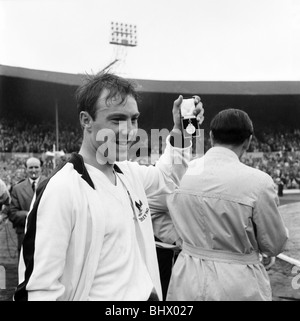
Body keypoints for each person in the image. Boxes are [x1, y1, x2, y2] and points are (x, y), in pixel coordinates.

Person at [14, 72, 204, 301]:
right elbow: (39, 289)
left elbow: (167, 177)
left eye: (134, 119)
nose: (129, 130)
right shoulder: (61, 188)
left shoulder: (128, 173)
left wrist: (181, 132)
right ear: (86, 120)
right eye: (116, 120)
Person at [165, 108, 288, 301]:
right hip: (237, 282)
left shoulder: (182, 172)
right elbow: (274, 244)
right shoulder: (259, 182)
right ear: (248, 141)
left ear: (212, 136)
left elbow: (157, 213)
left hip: (187, 276)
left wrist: (182, 239)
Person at [8, 157, 46, 254]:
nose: (34, 170)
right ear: (26, 169)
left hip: (46, 232)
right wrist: (28, 214)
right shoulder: (17, 188)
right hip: (24, 233)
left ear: (41, 168)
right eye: (31, 167)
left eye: (36, 167)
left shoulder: (50, 184)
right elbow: (12, 213)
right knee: (25, 264)